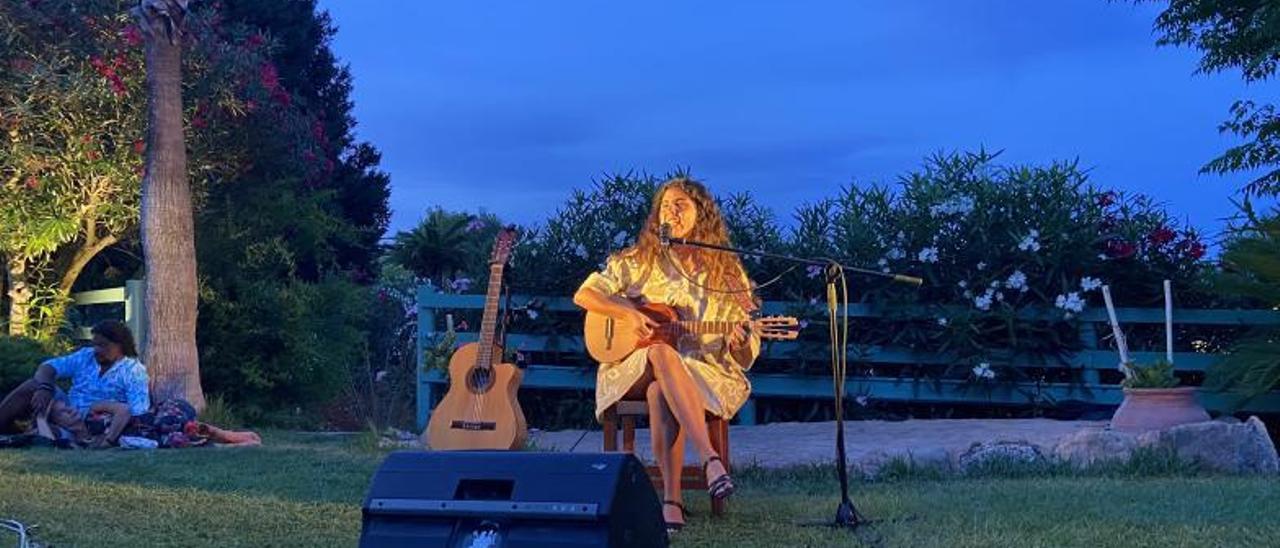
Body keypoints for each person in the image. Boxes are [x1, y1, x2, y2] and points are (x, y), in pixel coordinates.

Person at [573, 176, 761, 533]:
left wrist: (739, 340)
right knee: (659, 349)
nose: (671, 212)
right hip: (630, 365)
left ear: (701, 214)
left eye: (681, 205)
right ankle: (710, 459)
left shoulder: (726, 270)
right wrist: (629, 313)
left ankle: (671, 502)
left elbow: (744, 344)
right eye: (665, 206)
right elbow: (585, 295)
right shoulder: (635, 260)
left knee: (662, 390)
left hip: (701, 368)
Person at [0, 320, 150, 449]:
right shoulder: (86, 356)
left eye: (104, 345)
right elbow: (48, 367)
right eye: (95, 344)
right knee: (33, 385)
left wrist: (103, 422)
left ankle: (31, 432)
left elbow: (138, 411)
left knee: (48, 435)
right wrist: (44, 388)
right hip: (67, 407)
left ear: (120, 345)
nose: (97, 350)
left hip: (95, 421)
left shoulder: (133, 371)